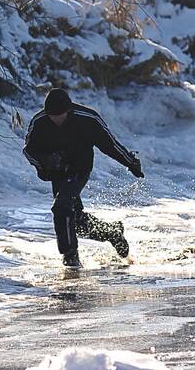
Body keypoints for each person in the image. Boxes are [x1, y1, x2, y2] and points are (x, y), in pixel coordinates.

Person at [23, 88, 144, 268]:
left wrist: (130, 162)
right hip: (56, 171)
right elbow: (29, 151)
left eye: (60, 116)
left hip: (79, 169)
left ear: (69, 111)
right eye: (52, 116)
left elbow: (110, 145)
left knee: (61, 207)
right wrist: (46, 162)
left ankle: (70, 256)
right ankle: (112, 233)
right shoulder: (40, 122)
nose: (56, 120)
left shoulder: (87, 119)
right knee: (75, 221)